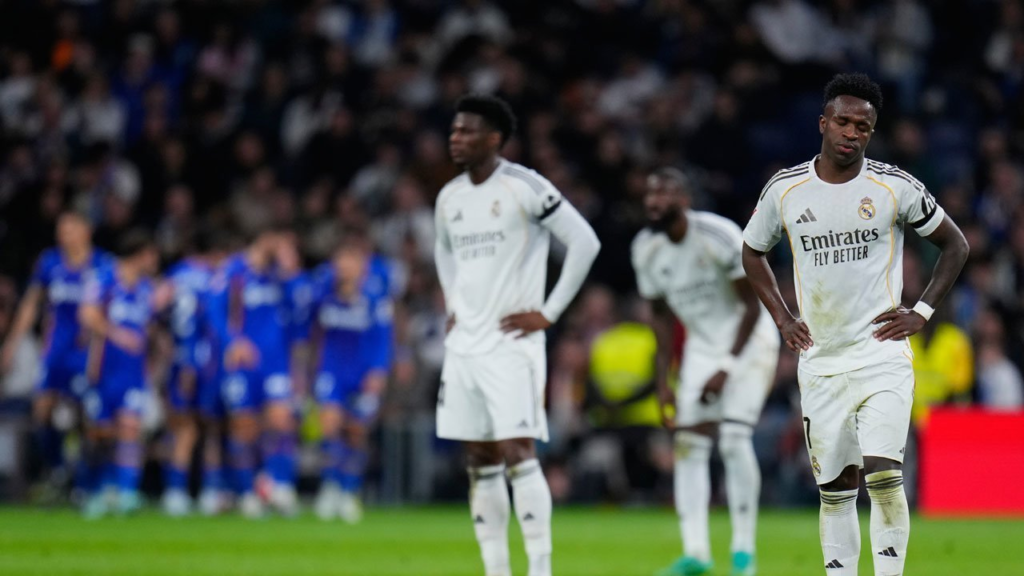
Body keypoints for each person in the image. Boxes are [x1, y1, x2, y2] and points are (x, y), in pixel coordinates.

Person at [741, 73, 969, 575]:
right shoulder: (786, 189)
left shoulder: (894, 186)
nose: (851, 132)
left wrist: (922, 311)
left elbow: (956, 244)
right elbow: (752, 251)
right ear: (823, 123)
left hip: (881, 355)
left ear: (872, 131)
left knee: (884, 476)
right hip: (820, 361)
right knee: (836, 491)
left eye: (862, 126)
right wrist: (782, 317)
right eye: (842, 122)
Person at [434, 94, 601, 576]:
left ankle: (541, 568)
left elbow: (585, 242)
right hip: (464, 345)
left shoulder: (525, 186)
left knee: (517, 451)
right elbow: (444, 252)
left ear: (494, 138)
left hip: (512, 346)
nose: (455, 138)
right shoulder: (450, 197)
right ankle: (496, 569)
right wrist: (452, 302)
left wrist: (548, 313)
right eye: (453, 130)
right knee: (479, 458)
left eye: (466, 131)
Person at [632, 168, 780, 576]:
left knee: (733, 439)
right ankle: (696, 553)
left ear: (685, 200)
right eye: (649, 193)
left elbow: (751, 306)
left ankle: (743, 554)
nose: (653, 201)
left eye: (663, 192)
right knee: (689, 445)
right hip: (700, 346)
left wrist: (727, 367)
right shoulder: (645, 249)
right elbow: (661, 322)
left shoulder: (717, 236)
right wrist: (664, 383)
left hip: (748, 341)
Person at [1, 211, 114, 498]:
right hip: (55, 351)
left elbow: (115, 308)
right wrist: (12, 343)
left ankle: (87, 481)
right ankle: (59, 468)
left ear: (85, 230)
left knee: (87, 417)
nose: (63, 235)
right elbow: (31, 304)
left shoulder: (103, 265)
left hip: (86, 352)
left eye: (69, 229)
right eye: (60, 230)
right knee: (42, 411)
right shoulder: (49, 262)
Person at [304, 232, 392, 523]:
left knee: (356, 432)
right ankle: (330, 487)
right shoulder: (323, 291)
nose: (344, 267)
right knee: (329, 425)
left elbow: (383, 337)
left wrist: (378, 371)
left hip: (363, 372)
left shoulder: (375, 295)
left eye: (350, 261)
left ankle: (349, 491)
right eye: (339, 261)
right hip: (331, 370)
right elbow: (307, 326)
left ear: (362, 265)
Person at [217, 226, 298, 518]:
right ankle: (247, 491)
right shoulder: (234, 270)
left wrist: (289, 272)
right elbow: (214, 310)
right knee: (244, 426)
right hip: (241, 361)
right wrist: (232, 341)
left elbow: (297, 311)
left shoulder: (280, 276)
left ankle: (280, 485)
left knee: (280, 420)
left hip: (275, 360)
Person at [78, 230, 160, 518]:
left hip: (133, 372)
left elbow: (149, 329)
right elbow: (87, 314)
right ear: (141, 254)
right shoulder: (104, 279)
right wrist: (117, 334)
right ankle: (99, 489)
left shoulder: (146, 289)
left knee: (130, 428)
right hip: (103, 368)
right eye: (152, 255)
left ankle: (127, 492)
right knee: (101, 433)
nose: (155, 261)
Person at [160, 233, 230, 516]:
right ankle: (210, 492)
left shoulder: (175, 276)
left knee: (183, 428)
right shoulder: (213, 280)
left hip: (179, 360)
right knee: (210, 428)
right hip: (205, 362)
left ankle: (175, 492)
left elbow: (157, 312)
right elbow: (214, 324)